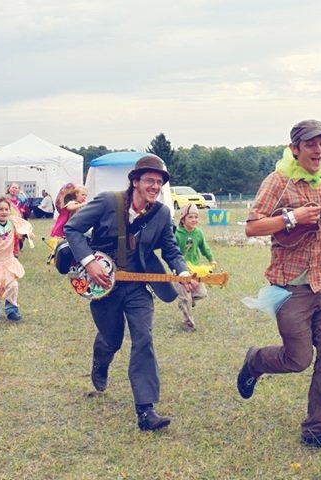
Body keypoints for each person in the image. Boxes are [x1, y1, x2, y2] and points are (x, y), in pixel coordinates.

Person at [236, 120, 321, 456]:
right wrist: (292, 218)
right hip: (290, 287)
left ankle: (316, 429)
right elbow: (252, 227)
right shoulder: (279, 182)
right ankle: (255, 360)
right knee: (298, 358)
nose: (318, 150)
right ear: (295, 148)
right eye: (310, 144)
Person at [64, 154, 196, 432]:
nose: (154, 186)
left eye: (159, 182)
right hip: (102, 286)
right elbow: (72, 228)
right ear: (135, 181)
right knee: (111, 340)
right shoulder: (108, 201)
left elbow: (170, 249)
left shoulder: (161, 213)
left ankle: (146, 410)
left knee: (144, 338)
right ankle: (100, 362)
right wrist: (89, 262)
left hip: (138, 286)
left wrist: (182, 273)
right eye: (149, 180)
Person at [172, 203, 216, 331]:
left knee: (202, 293)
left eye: (196, 217)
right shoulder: (178, 234)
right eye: (190, 217)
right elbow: (173, 252)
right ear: (183, 219)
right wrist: (178, 268)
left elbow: (204, 247)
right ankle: (188, 324)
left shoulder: (198, 233)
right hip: (181, 271)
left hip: (196, 271)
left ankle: (186, 300)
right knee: (185, 298)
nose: (194, 220)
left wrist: (211, 259)